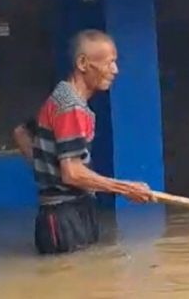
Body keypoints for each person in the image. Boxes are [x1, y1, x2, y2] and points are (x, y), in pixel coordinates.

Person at [13, 29, 154, 255]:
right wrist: (126, 188)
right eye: (109, 63)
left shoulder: (63, 97)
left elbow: (21, 133)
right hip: (63, 216)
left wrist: (47, 167)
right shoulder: (71, 107)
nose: (115, 70)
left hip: (69, 210)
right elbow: (73, 174)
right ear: (82, 63)